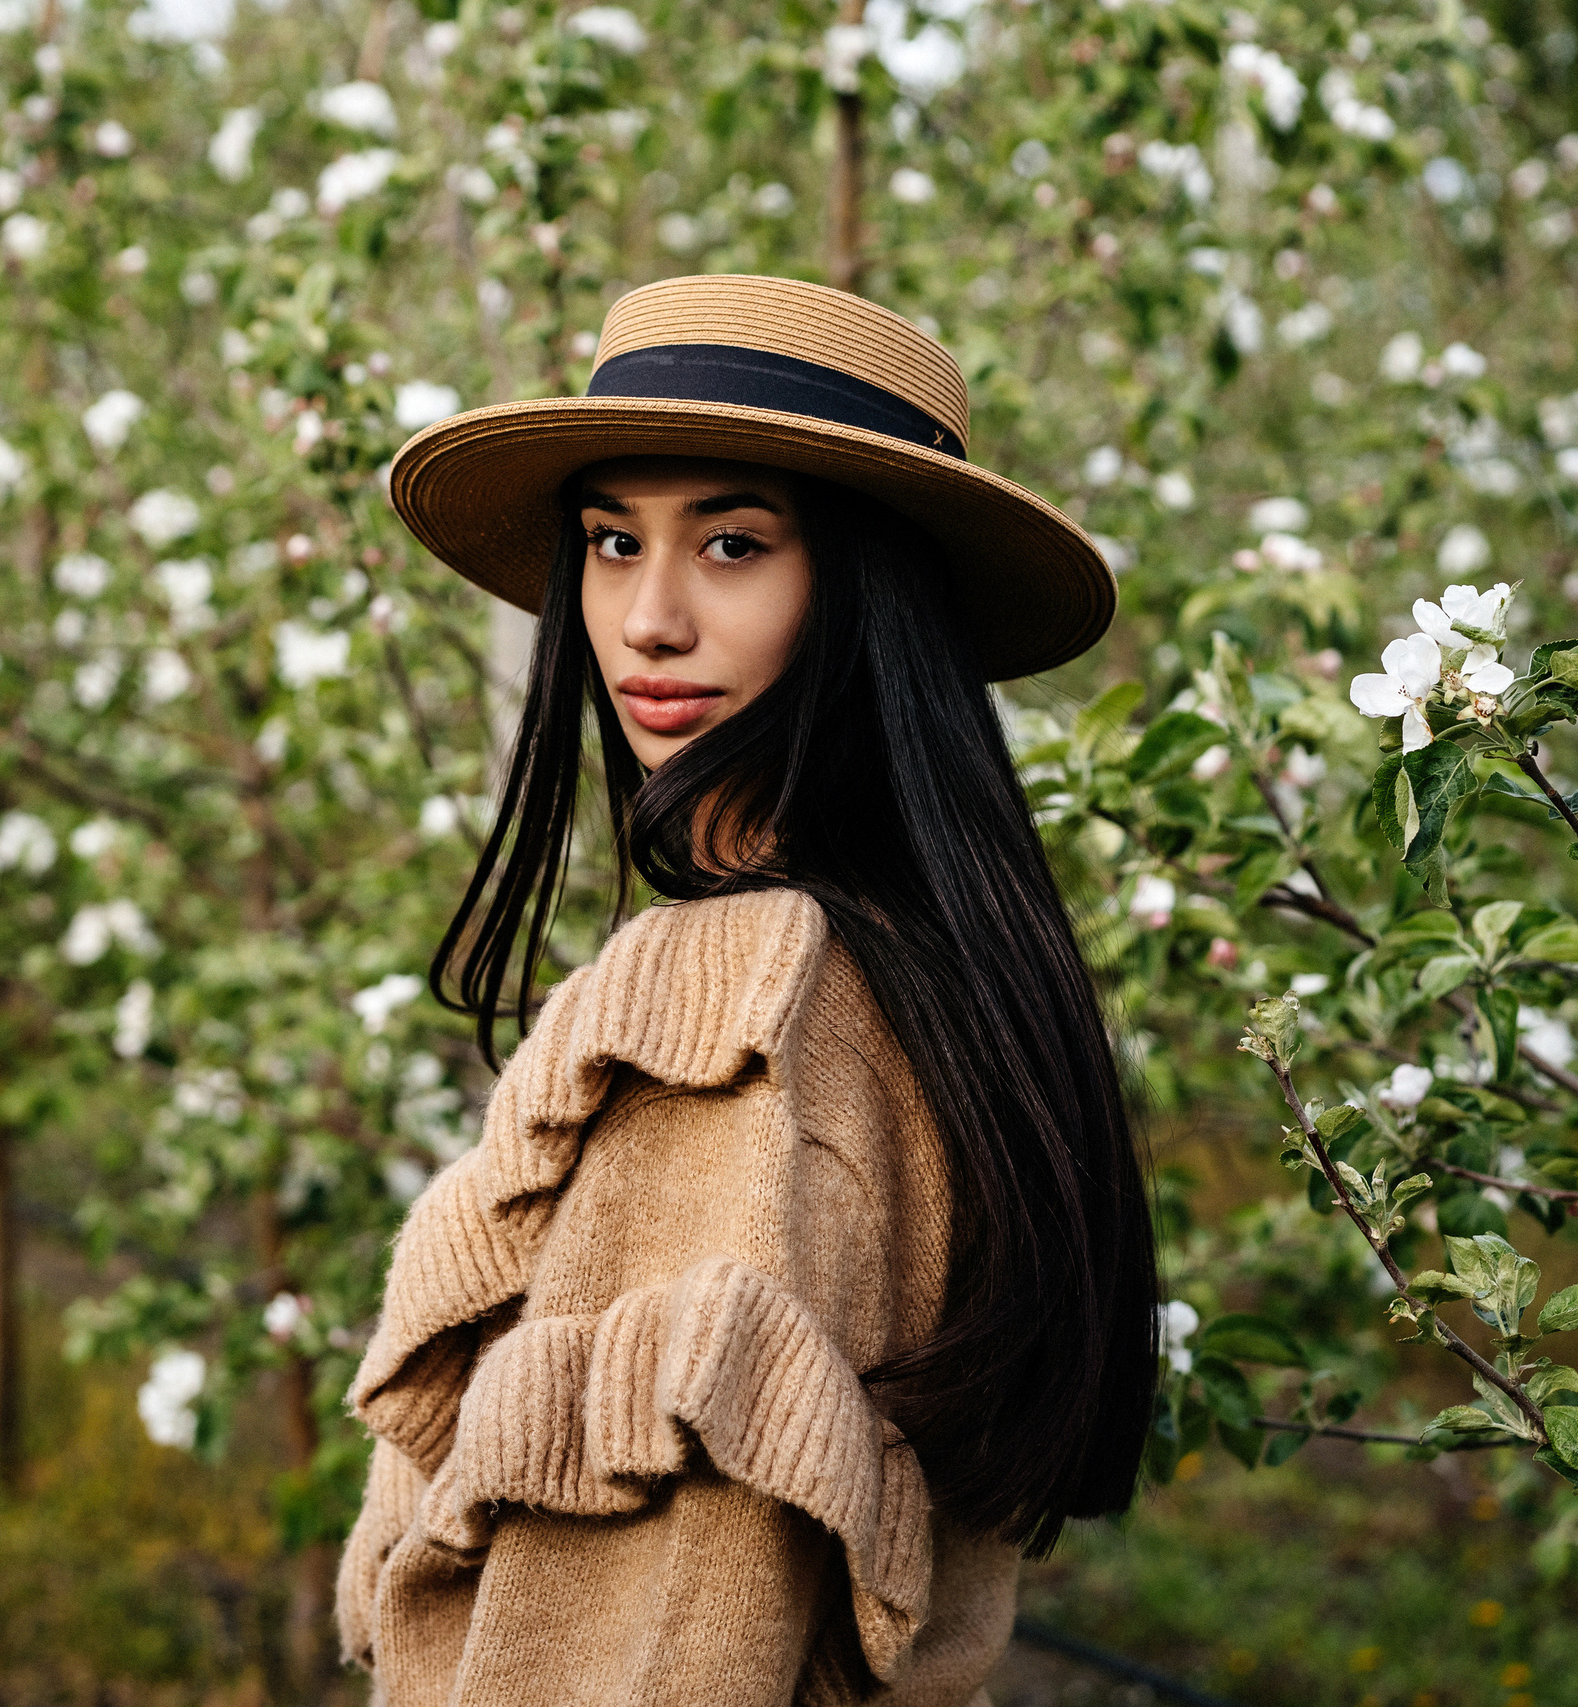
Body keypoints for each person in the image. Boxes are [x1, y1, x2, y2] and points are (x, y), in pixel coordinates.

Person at [336, 274, 1158, 1706]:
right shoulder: (939, 972)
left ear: (863, 593)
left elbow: (638, 1648)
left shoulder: (731, 1007)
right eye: (609, 540)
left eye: (731, 542)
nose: (646, 619)